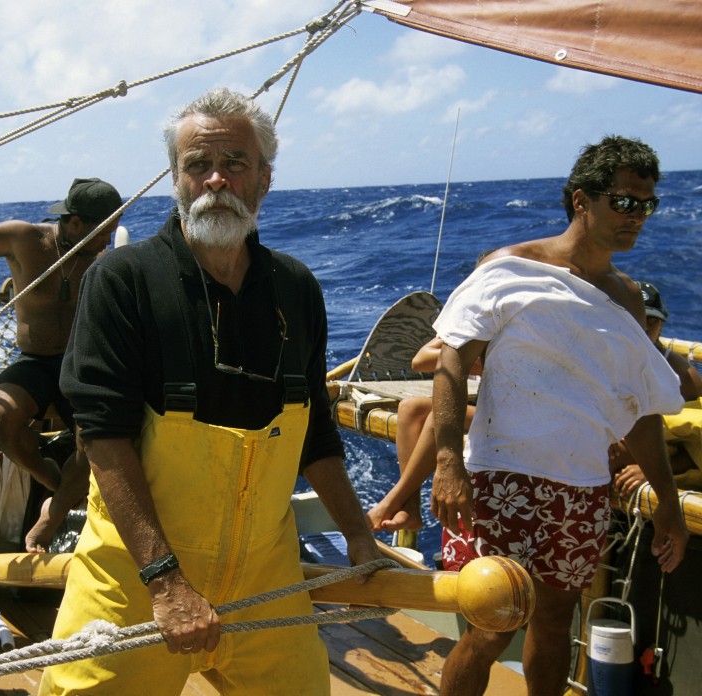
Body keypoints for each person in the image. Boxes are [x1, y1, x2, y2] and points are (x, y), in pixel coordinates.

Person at [39, 88, 382, 695]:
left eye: (236, 164)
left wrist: (358, 535)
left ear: (265, 180)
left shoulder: (297, 288)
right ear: (176, 178)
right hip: (134, 577)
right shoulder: (122, 280)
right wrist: (165, 582)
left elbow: (317, 433)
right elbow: (104, 437)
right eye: (198, 165)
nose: (216, 180)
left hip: (264, 576)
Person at [430, 135, 689, 696]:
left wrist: (667, 499)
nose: (636, 217)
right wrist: (449, 460)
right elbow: (450, 362)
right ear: (581, 200)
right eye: (623, 201)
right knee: (490, 628)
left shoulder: (625, 299)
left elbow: (638, 408)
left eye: (646, 205)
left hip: (582, 490)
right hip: (502, 481)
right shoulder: (510, 268)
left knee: (553, 625)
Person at [0, 160, 123, 552]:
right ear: (75, 223)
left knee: (96, 442)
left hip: (80, 363)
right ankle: (56, 482)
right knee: (1, 417)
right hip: (35, 362)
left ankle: (52, 513)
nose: (109, 240)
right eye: (104, 231)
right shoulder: (25, 240)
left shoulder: (105, 260)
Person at [366, 337, 478, 533]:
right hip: (479, 403)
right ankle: (410, 509)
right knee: (410, 407)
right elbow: (420, 361)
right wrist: (464, 356)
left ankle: (393, 500)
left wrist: (470, 359)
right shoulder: (473, 326)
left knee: (440, 416)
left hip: (509, 410)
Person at [610, 279, 702, 495]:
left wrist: (649, 471)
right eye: (635, 318)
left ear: (662, 325)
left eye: (652, 319)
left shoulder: (683, 375)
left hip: (659, 458)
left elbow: (695, 443)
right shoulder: (603, 360)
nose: (644, 326)